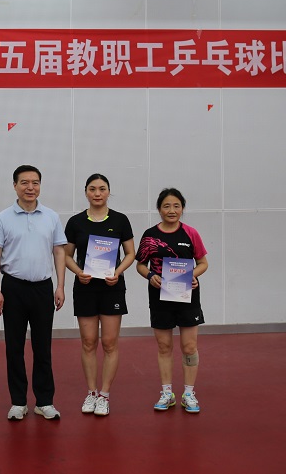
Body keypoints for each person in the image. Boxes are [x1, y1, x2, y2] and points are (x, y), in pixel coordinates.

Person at [0, 165, 67, 421]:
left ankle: (44, 401)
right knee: (14, 347)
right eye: (24, 182)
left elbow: (59, 251)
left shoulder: (51, 217)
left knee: (43, 347)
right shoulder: (3, 218)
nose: (30, 187)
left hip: (43, 288)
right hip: (13, 287)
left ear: (40, 186)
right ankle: (18, 401)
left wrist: (60, 285)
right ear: (15, 186)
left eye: (35, 182)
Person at [64, 174, 135, 416]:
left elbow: (130, 253)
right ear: (86, 192)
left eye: (102, 189)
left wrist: (118, 272)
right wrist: (78, 272)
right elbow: (66, 255)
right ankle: (91, 392)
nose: (97, 193)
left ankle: (104, 395)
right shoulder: (75, 222)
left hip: (111, 287)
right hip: (85, 287)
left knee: (109, 343)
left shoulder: (120, 220)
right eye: (92, 189)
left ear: (108, 192)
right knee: (88, 342)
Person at [135, 188, 208, 414]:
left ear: (182, 208)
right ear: (159, 209)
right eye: (166, 206)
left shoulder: (191, 233)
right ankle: (167, 393)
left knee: (189, 346)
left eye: (176, 206)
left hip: (187, 296)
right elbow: (140, 265)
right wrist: (150, 276)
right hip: (160, 297)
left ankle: (189, 393)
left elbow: (203, 263)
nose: (172, 210)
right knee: (164, 346)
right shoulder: (149, 235)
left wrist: (193, 275)